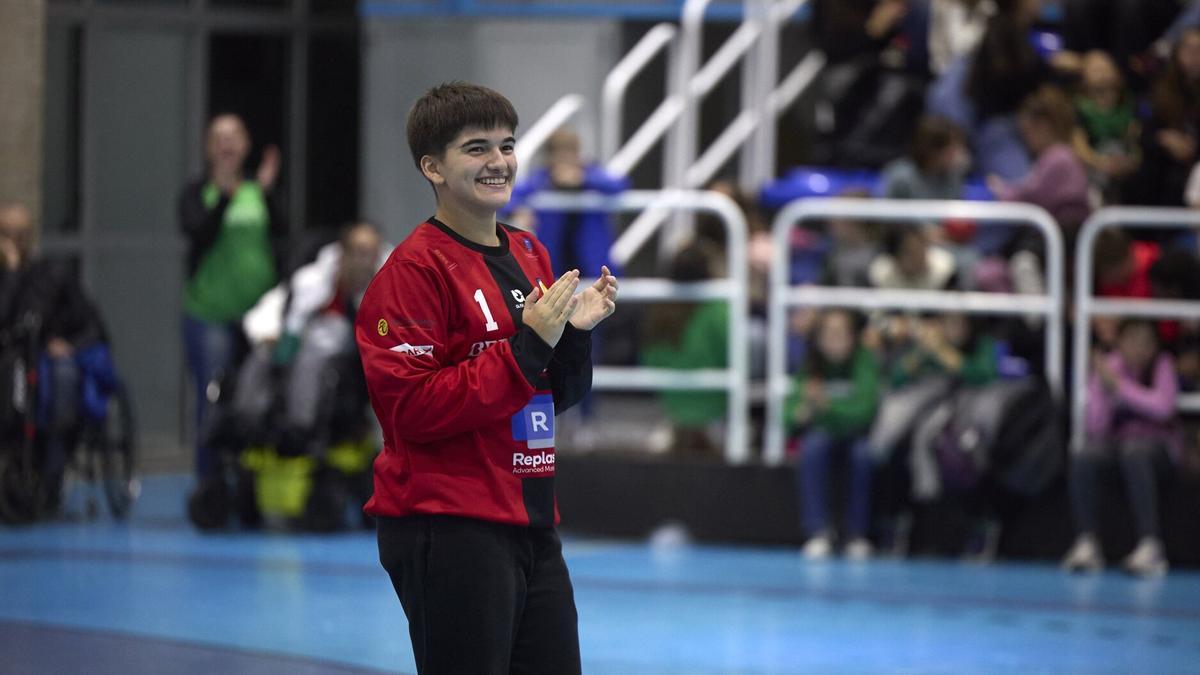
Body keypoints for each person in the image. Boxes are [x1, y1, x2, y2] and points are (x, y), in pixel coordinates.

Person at [356, 82, 618, 675]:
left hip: (529, 520)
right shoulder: (413, 271)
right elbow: (412, 410)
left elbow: (554, 397)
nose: (498, 162)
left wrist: (573, 336)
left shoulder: (530, 253)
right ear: (433, 167)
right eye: (476, 149)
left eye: (507, 145)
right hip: (447, 524)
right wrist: (528, 347)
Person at [179, 113, 286, 489]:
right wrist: (224, 197)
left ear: (246, 145)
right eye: (218, 137)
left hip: (256, 318)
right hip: (209, 314)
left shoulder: (259, 191)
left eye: (234, 136)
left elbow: (281, 237)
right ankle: (209, 485)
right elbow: (199, 234)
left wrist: (268, 194)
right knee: (213, 398)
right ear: (208, 147)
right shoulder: (196, 193)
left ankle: (251, 483)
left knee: (255, 397)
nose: (226, 144)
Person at [0, 203, 109, 512]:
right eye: (7, 234)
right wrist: (10, 273)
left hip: (52, 365)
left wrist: (70, 345)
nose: (14, 242)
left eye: (20, 234)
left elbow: (92, 325)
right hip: (11, 366)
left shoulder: (53, 274)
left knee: (62, 376)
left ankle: (51, 471)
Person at [1064, 320, 1179, 577]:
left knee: (1135, 453)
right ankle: (1087, 542)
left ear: (1154, 346)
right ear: (1120, 344)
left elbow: (1163, 408)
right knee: (1083, 455)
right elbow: (1095, 427)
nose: (1139, 348)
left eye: (1146, 342)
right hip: (1116, 446)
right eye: (1132, 341)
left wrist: (1120, 387)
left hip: (1158, 450)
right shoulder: (1110, 367)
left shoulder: (1161, 366)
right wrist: (1103, 391)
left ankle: (1150, 545)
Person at [787, 309, 880, 560]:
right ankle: (818, 532)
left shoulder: (863, 362)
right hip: (823, 435)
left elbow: (864, 410)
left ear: (853, 338)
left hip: (857, 434)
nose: (834, 341)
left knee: (863, 455)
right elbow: (788, 415)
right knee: (812, 448)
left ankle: (856, 534)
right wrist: (804, 411)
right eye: (828, 334)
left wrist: (826, 408)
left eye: (841, 334)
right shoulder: (811, 366)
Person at [1072, 51, 1140, 200]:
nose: (1102, 75)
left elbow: (1135, 144)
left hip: (1124, 165)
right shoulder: (1079, 108)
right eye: (1096, 70)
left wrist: (1130, 162)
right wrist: (1102, 163)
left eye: (1105, 68)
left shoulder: (1129, 104)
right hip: (1094, 166)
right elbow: (1080, 148)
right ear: (1084, 76)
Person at [881, 115, 971, 200]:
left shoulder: (953, 177)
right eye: (953, 149)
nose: (959, 154)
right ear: (934, 151)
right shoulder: (900, 176)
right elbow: (884, 213)